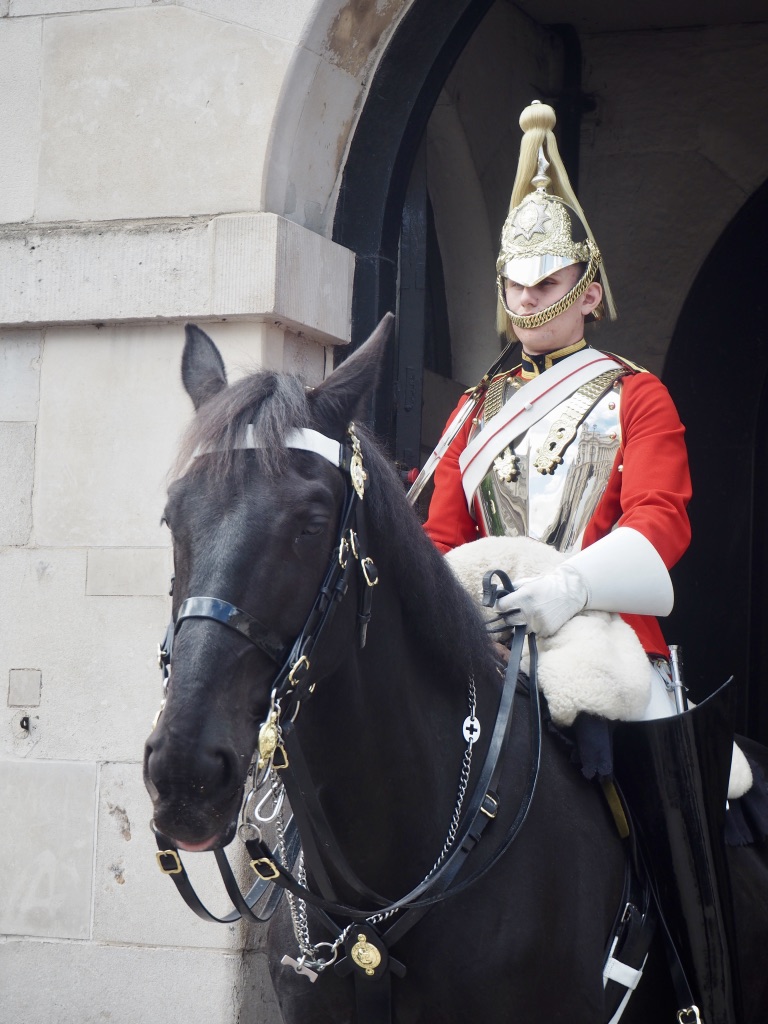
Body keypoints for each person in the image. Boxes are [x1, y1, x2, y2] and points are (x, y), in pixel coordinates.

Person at [420, 100, 739, 1023]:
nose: (528, 299)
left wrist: (564, 588)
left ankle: (698, 987)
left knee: (680, 801)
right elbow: (439, 544)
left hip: (605, 634)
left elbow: (660, 532)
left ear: (589, 287)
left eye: (547, 280)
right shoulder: (469, 416)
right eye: (514, 284)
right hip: (488, 639)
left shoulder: (637, 398)